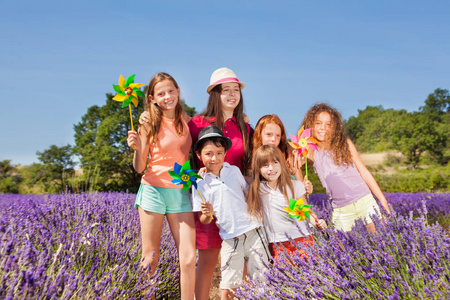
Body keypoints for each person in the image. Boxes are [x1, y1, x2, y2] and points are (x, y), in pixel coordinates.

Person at [127, 72, 196, 299]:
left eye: (171, 91)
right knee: (150, 257)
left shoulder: (186, 119)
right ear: (152, 98)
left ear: (177, 91)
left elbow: (208, 123)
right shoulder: (148, 123)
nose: (167, 96)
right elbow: (139, 167)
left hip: (181, 192)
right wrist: (138, 148)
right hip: (153, 190)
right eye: (161, 93)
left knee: (188, 257)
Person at [188, 67, 253, 299]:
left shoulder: (244, 128)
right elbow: (180, 146)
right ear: (215, 93)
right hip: (209, 199)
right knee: (207, 261)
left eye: (236, 90)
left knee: (241, 263)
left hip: (236, 204)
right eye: (226, 90)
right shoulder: (197, 123)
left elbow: (255, 160)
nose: (232, 94)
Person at [192, 125, 270, 299]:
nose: (215, 158)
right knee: (227, 287)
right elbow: (204, 220)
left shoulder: (233, 171)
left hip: (254, 232)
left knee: (262, 281)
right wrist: (208, 213)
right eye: (209, 154)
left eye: (219, 153)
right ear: (199, 155)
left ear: (225, 153)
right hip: (230, 238)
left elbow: (246, 192)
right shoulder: (199, 183)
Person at [300, 103, 391, 233]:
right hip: (341, 210)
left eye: (328, 124)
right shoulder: (310, 152)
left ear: (335, 127)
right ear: (310, 126)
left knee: (379, 241)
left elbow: (364, 172)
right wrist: (301, 184)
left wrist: (383, 201)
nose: (323, 128)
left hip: (365, 201)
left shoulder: (345, 144)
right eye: (318, 123)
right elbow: (291, 166)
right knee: (341, 250)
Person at [247, 145, 327, 261]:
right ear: (258, 169)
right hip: (277, 243)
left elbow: (304, 211)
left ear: (282, 164)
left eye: (275, 163)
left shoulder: (294, 185)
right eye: (265, 165)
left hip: (302, 238)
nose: (271, 168)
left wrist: (317, 223)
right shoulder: (258, 189)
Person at [252, 114, 309, 183]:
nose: (273, 139)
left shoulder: (289, 156)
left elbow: (301, 187)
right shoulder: (253, 156)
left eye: (278, 135)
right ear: (259, 135)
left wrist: (306, 188)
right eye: (269, 134)